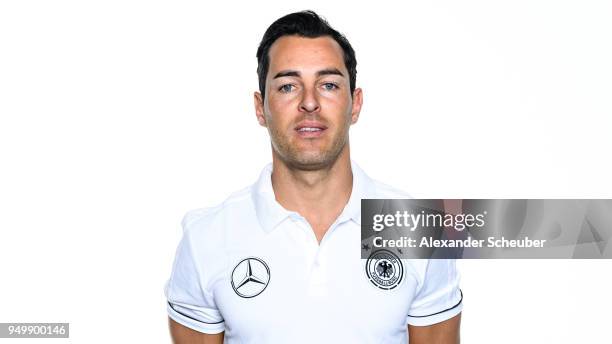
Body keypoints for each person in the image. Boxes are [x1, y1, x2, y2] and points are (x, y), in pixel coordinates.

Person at [165, 10, 462, 344]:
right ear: (261, 108)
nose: (309, 102)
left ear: (355, 104)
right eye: (289, 86)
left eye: (329, 85)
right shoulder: (206, 239)